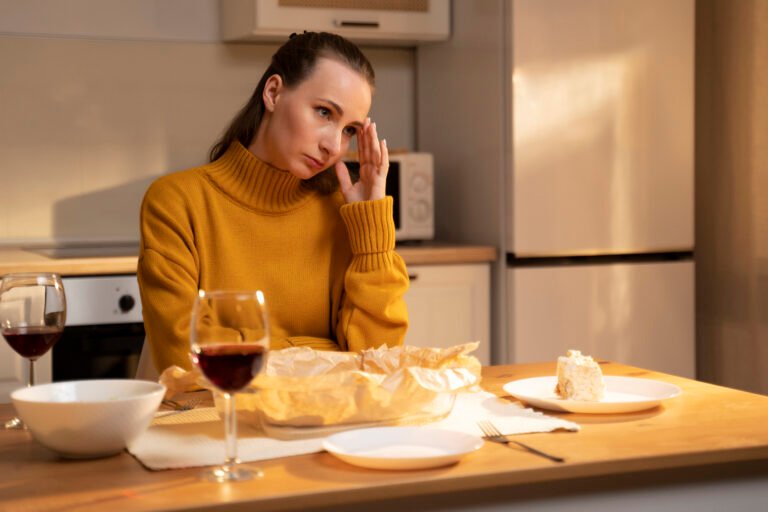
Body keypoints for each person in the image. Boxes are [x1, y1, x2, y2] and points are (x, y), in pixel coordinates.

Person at [137, 31, 409, 374]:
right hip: (214, 423)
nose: (334, 145)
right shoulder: (176, 202)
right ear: (273, 92)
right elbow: (186, 358)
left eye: (349, 130)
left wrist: (372, 235)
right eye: (324, 112)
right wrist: (324, 353)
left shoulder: (341, 213)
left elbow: (379, 362)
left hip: (325, 423)